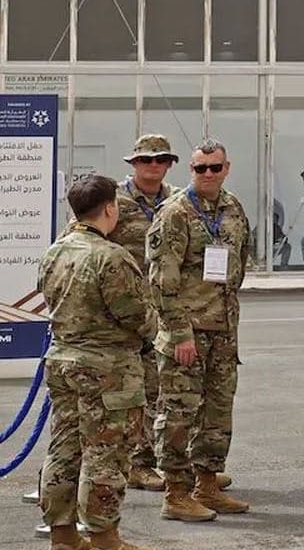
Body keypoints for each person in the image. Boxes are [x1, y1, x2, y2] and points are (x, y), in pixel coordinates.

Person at [38, 174, 158, 550]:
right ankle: (106, 539)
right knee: (106, 453)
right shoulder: (111, 256)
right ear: (109, 208)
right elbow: (136, 315)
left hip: (63, 362)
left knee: (64, 447)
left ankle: (63, 536)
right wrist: (153, 326)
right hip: (107, 371)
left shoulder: (55, 251)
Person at [146, 139, 252, 522]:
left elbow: (240, 261)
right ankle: (175, 493)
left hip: (223, 330)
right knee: (178, 412)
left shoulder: (233, 207)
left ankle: (206, 485)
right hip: (187, 333)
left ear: (227, 168)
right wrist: (180, 333)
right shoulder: (174, 212)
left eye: (215, 167)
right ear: (190, 170)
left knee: (217, 412)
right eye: (200, 168)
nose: (208, 174)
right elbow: (161, 281)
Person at [112, 134, 176, 493]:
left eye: (161, 159)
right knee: (131, 391)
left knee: (164, 390)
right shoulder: (113, 202)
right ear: (133, 164)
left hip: (167, 310)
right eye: (146, 160)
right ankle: (137, 463)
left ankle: (163, 460)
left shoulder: (179, 201)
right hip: (126, 313)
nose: (153, 165)